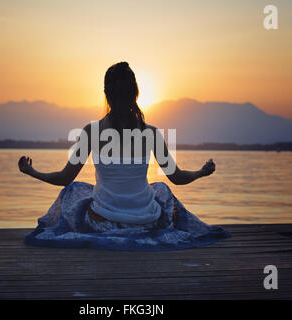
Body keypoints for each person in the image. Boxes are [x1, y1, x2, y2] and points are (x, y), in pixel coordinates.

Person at [19, 62, 230, 250]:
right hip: (148, 222)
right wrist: (201, 172)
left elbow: (64, 179)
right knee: (161, 189)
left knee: (74, 190)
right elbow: (177, 178)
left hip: (103, 223)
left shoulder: (91, 131)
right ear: (136, 93)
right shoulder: (151, 133)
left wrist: (32, 172)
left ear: (106, 94)